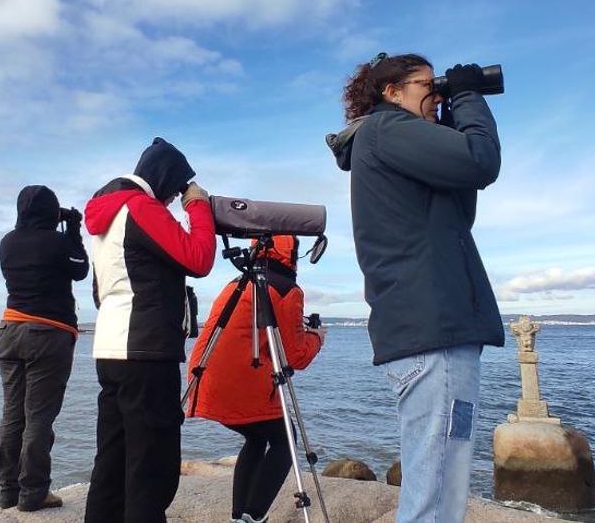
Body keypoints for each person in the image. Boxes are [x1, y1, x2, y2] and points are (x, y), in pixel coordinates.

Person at [327, 55, 504, 523]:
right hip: (434, 332)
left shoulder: (389, 139)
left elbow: (459, 201)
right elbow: (480, 161)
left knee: (441, 486)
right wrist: (467, 96)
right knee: (436, 497)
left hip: (433, 333)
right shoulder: (387, 130)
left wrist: (446, 120)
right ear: (391, 92)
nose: (438, 91)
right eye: (428, 84)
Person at [82, 137, 217, 523]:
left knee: (112, 458)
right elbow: (199, 257)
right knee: (151, 466)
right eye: (174, 191)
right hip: (145, 350)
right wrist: (198, 205)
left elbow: (98, 290)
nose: (174, 201)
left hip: (110, 347)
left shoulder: (104, 217)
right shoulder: (139, 207)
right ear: (164, 180)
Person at [185, 235, 326, 523]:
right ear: (291, 253)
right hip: (239, 383)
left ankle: (239, 516)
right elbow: (295, 357)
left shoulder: (238, 282)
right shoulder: (285, 288)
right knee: (286, 440)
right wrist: (316, 337)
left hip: (205, 377)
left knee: (256, 437)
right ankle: (254, 516)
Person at [0, 185, 89, 511]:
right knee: (39, 418)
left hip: (10, 330)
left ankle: (7, 491)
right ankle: (33, 492)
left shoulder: (7, 242)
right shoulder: (59, 242)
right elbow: (80, 269)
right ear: (52, 211)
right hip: (49, 334)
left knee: (11, 415)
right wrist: (73, 228)